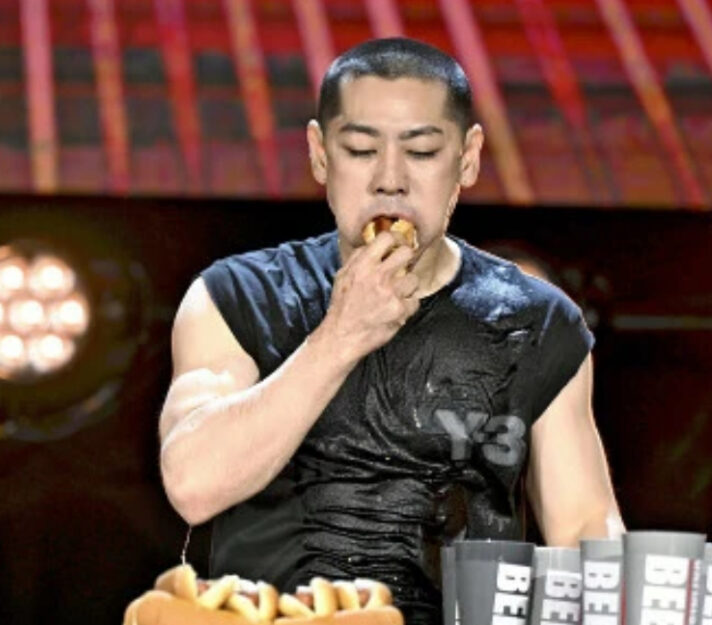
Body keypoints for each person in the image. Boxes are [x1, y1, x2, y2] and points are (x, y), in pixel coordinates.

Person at [158, 37, 624, 624]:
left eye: (422, 151)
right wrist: (340, 336)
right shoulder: (237, 296)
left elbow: (584, 528)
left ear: (468, 157)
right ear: (320, 154)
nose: (390, 180)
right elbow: (193, 484)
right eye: (360, 149)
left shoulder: (537, 321)